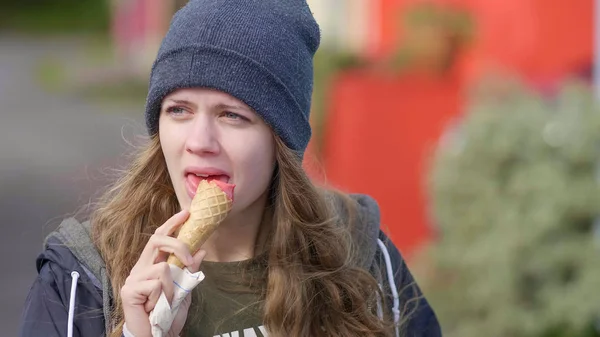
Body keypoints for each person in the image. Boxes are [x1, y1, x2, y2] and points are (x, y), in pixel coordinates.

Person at [18, 0, 442, 336]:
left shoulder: (359, 253)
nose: (199, 141)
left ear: (281, 139)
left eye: (232, 115)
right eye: (179, 109)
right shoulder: (83, 275)